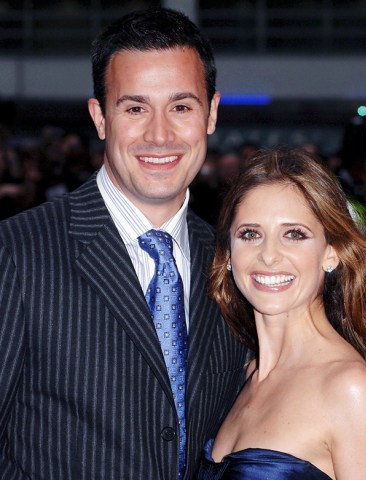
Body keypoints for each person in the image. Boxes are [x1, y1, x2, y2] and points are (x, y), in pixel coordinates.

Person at [0, 7, 249, 479]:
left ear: (211, 113)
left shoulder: (234, 262)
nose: (160, 134)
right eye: (135, 108)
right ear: (99, 117)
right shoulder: (16, 253)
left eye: (181, 107)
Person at [197, 147, 366, 479]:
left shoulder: (349, 389)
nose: (269, 256)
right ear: (228, 253)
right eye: (250, 234)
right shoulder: (239, 375)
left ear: (332, 253)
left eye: (294, 235)